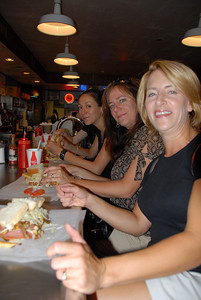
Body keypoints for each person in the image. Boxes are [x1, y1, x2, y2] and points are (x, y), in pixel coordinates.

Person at [47, 60, 201, 299]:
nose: (159, 100)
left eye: (171, 91)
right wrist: (87, 198)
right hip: (162, 268)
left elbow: (196, 245)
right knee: (67, 288)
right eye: (152, 94)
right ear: (145, 105)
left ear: (191, 102)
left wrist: (103, 271)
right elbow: (138, 223)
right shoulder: (158, 162)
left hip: (193, 276)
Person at [43, 78, 164, 252]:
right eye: (112, 105)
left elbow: (126, 189)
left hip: (141, 234)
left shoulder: (150, 136)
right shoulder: (130, 135)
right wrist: (74, 171)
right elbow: (110, 180)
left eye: (122, 100)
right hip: (121, 220)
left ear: (140, 100)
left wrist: (72, 180)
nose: (116, 109)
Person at [47, 88, 107, 162]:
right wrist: (67, 145)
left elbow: (96, 169)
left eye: (88, 106)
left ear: (102, 108)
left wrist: (60, 152)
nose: (83, 112)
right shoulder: (99, 130)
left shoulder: (110, 132)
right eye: (80, 107)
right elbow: (90, 154)